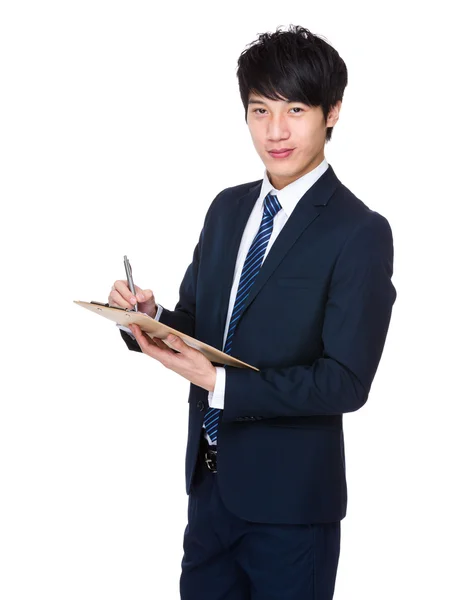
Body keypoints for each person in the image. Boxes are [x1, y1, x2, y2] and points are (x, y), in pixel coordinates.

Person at [109, 24, 397, 600]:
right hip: (210, 493)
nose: (275, 131)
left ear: (332, 112)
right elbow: (198, 323)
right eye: (260, 110)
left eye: (295, 109)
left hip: (292, 509)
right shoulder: (227, 209)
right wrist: (149, 314)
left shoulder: (359, 232)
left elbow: (344, 383)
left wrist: (220, 385)